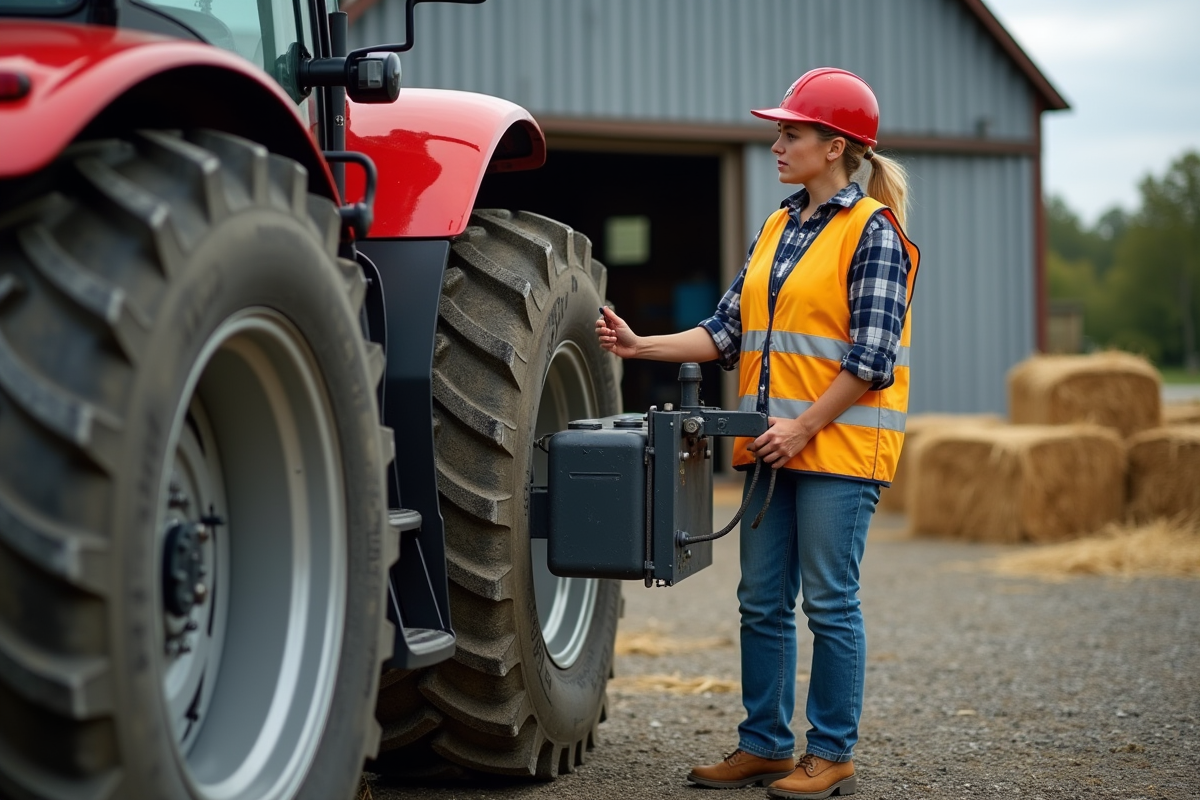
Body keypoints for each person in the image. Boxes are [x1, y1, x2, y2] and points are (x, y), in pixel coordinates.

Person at [596, 67, 920, 800]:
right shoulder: (778, 226)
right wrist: (639, 345)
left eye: (791, 133)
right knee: (760, 600)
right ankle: (766, 745)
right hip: (778, 449)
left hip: (836, 451)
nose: (776, 143)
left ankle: (831, 751)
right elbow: (725, 331)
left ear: (834, 147)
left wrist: (802, 428)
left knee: (830, 603)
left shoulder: (875, 234)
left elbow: (870, 361)